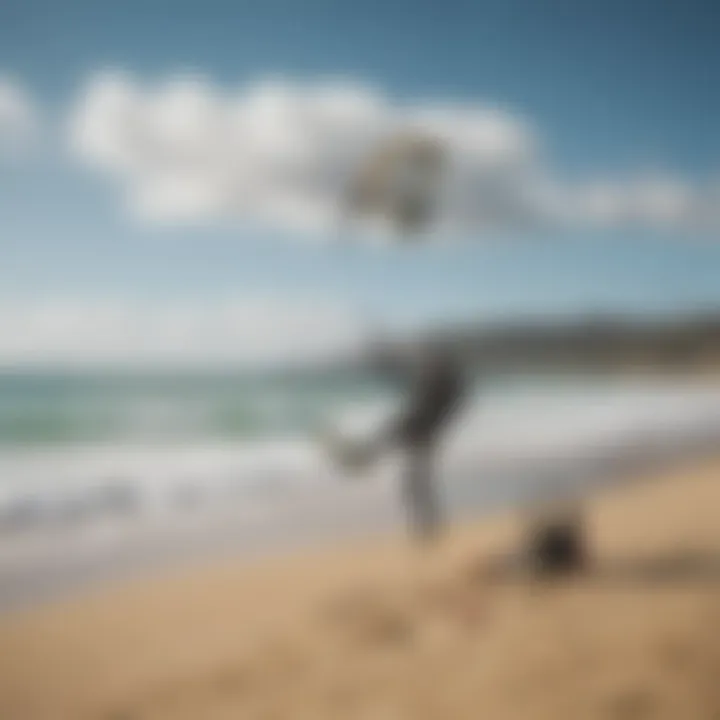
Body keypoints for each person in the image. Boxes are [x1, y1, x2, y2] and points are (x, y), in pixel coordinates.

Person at [378, 341, 467, 543]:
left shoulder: (439, 387)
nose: (425, 365)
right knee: (416, 483)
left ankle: (428, 527)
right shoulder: (440, 387)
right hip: (420, 432)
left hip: (420, 433)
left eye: (429, 361)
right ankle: (428, 525)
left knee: (415, 483)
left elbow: (425, 410)